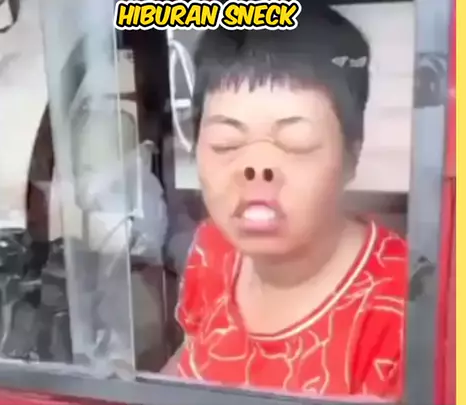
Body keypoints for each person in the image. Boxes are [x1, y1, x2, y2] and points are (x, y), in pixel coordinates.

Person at [163, 2, 408, 401]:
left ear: (351, 156)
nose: (257, 167)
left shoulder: (406, 304)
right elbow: (188, 362)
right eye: (227, 143)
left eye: (296, 142)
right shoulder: (213, 248)